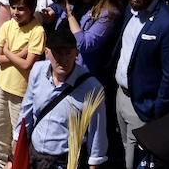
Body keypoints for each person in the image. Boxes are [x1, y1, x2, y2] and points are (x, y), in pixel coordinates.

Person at [116, 0, 169, 169]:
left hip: (144, 106)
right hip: (121, 97)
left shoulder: (168, 23)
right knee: (124, 153)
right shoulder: (130, 11)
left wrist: (156, 110)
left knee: (136, 163)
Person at [17, 26, 109, 168]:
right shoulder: (37, 71)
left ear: (76, 54)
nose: (64, 59)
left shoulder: (93, 88)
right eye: (58, 53)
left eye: (68, 53)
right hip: (33, 158)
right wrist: (17, 144)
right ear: (47, 53)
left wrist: (94, 165)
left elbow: (97, 134)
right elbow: (26, 111)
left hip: (64, 163)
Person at [0, 0, 45, 168]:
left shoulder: (37, 31)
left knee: (18, 134)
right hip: (0, 85)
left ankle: (15, 164)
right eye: (13, 7)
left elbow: (27, 64)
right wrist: (20, 53)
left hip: (21, 91)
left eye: (21, 8)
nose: (16, 12)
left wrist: (8, 51)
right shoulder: (7, 26)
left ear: (31, 9)